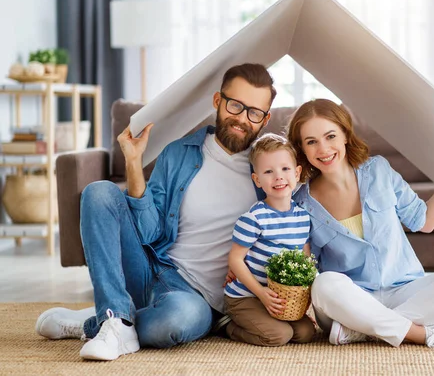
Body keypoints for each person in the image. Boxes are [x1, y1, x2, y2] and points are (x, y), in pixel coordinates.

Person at [35, 63, 277, 361]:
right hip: (152, 268)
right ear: (218, 101)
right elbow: (150, 232)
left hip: (197, 300)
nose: (242, 119)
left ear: (265, 120)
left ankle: (106, 318)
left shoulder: (270, 169)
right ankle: (115, 319)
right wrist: (134, 163)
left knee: (173, 323)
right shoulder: (180, 153)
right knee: (98, 192)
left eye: (254, 112)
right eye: (235, 105)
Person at [287, 99, 434, 348]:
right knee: (324, 284)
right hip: (351, 301)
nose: (323, 149)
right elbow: (307, 268)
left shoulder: (378, 170)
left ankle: (362, 331)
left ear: (346, 135)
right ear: (302, 149)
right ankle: (420, 334)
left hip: (405, 289)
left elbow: (425, 221)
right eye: (311, 142)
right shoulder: (300, 203)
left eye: (330, 136)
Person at [223, 133, 315, 346]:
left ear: (297, 172)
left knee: (305, 333)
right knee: (279, 335)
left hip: (280, 296)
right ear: (257, 180)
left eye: (285, 169)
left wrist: (302, 292)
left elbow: (305, 256)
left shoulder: (302, 216)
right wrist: (261, 293)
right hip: (247, 295)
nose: (278, 177)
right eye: (268, 172)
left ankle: (268, 319)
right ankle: (228, 325)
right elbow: (235, 260)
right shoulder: (254, 218)